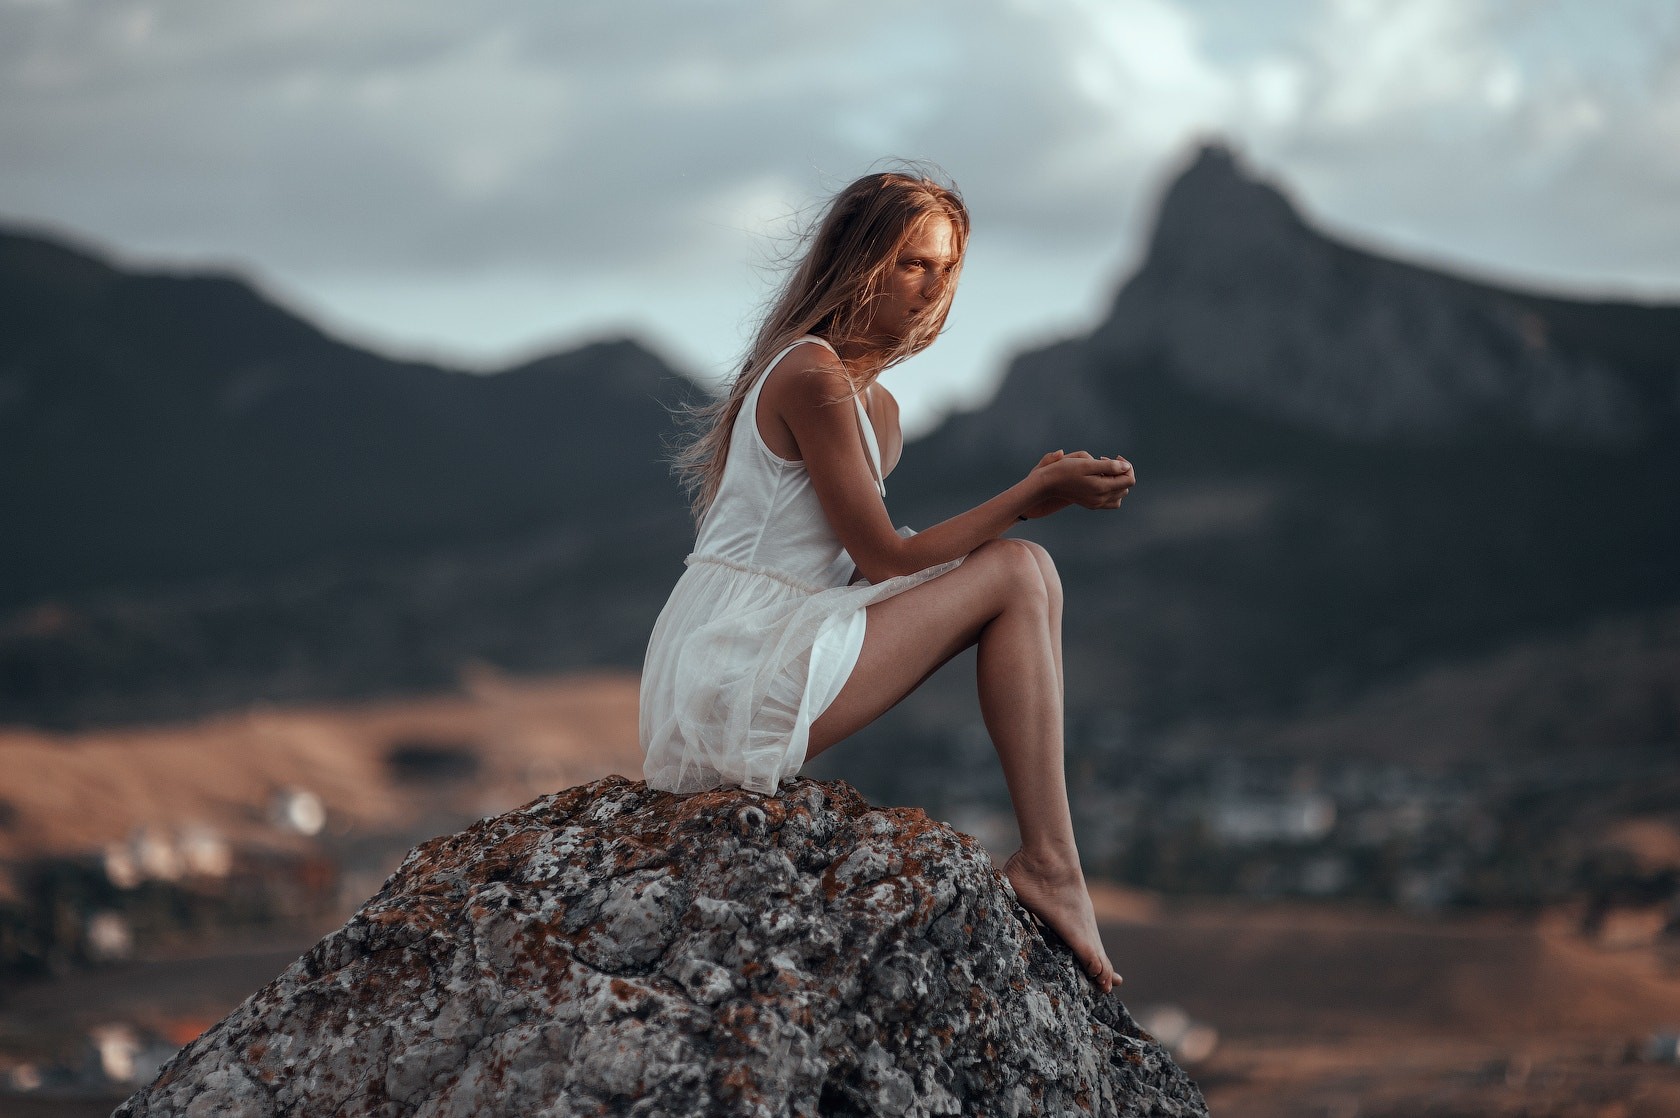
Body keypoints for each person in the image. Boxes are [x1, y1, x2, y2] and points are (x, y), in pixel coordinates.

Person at [640, 167, 1134, 992]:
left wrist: (1028, 504)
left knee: (1027, 569)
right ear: (857, 261)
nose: (933, 289)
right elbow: (884, 562)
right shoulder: (810, 376)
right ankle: (1051, 863)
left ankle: (1052, 862)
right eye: (913, 264)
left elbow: (874, 557)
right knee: (1017, 569)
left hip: (784, 637)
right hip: (734, 663)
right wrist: (1023, 499)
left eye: (946, 270)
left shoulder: (879, 408)